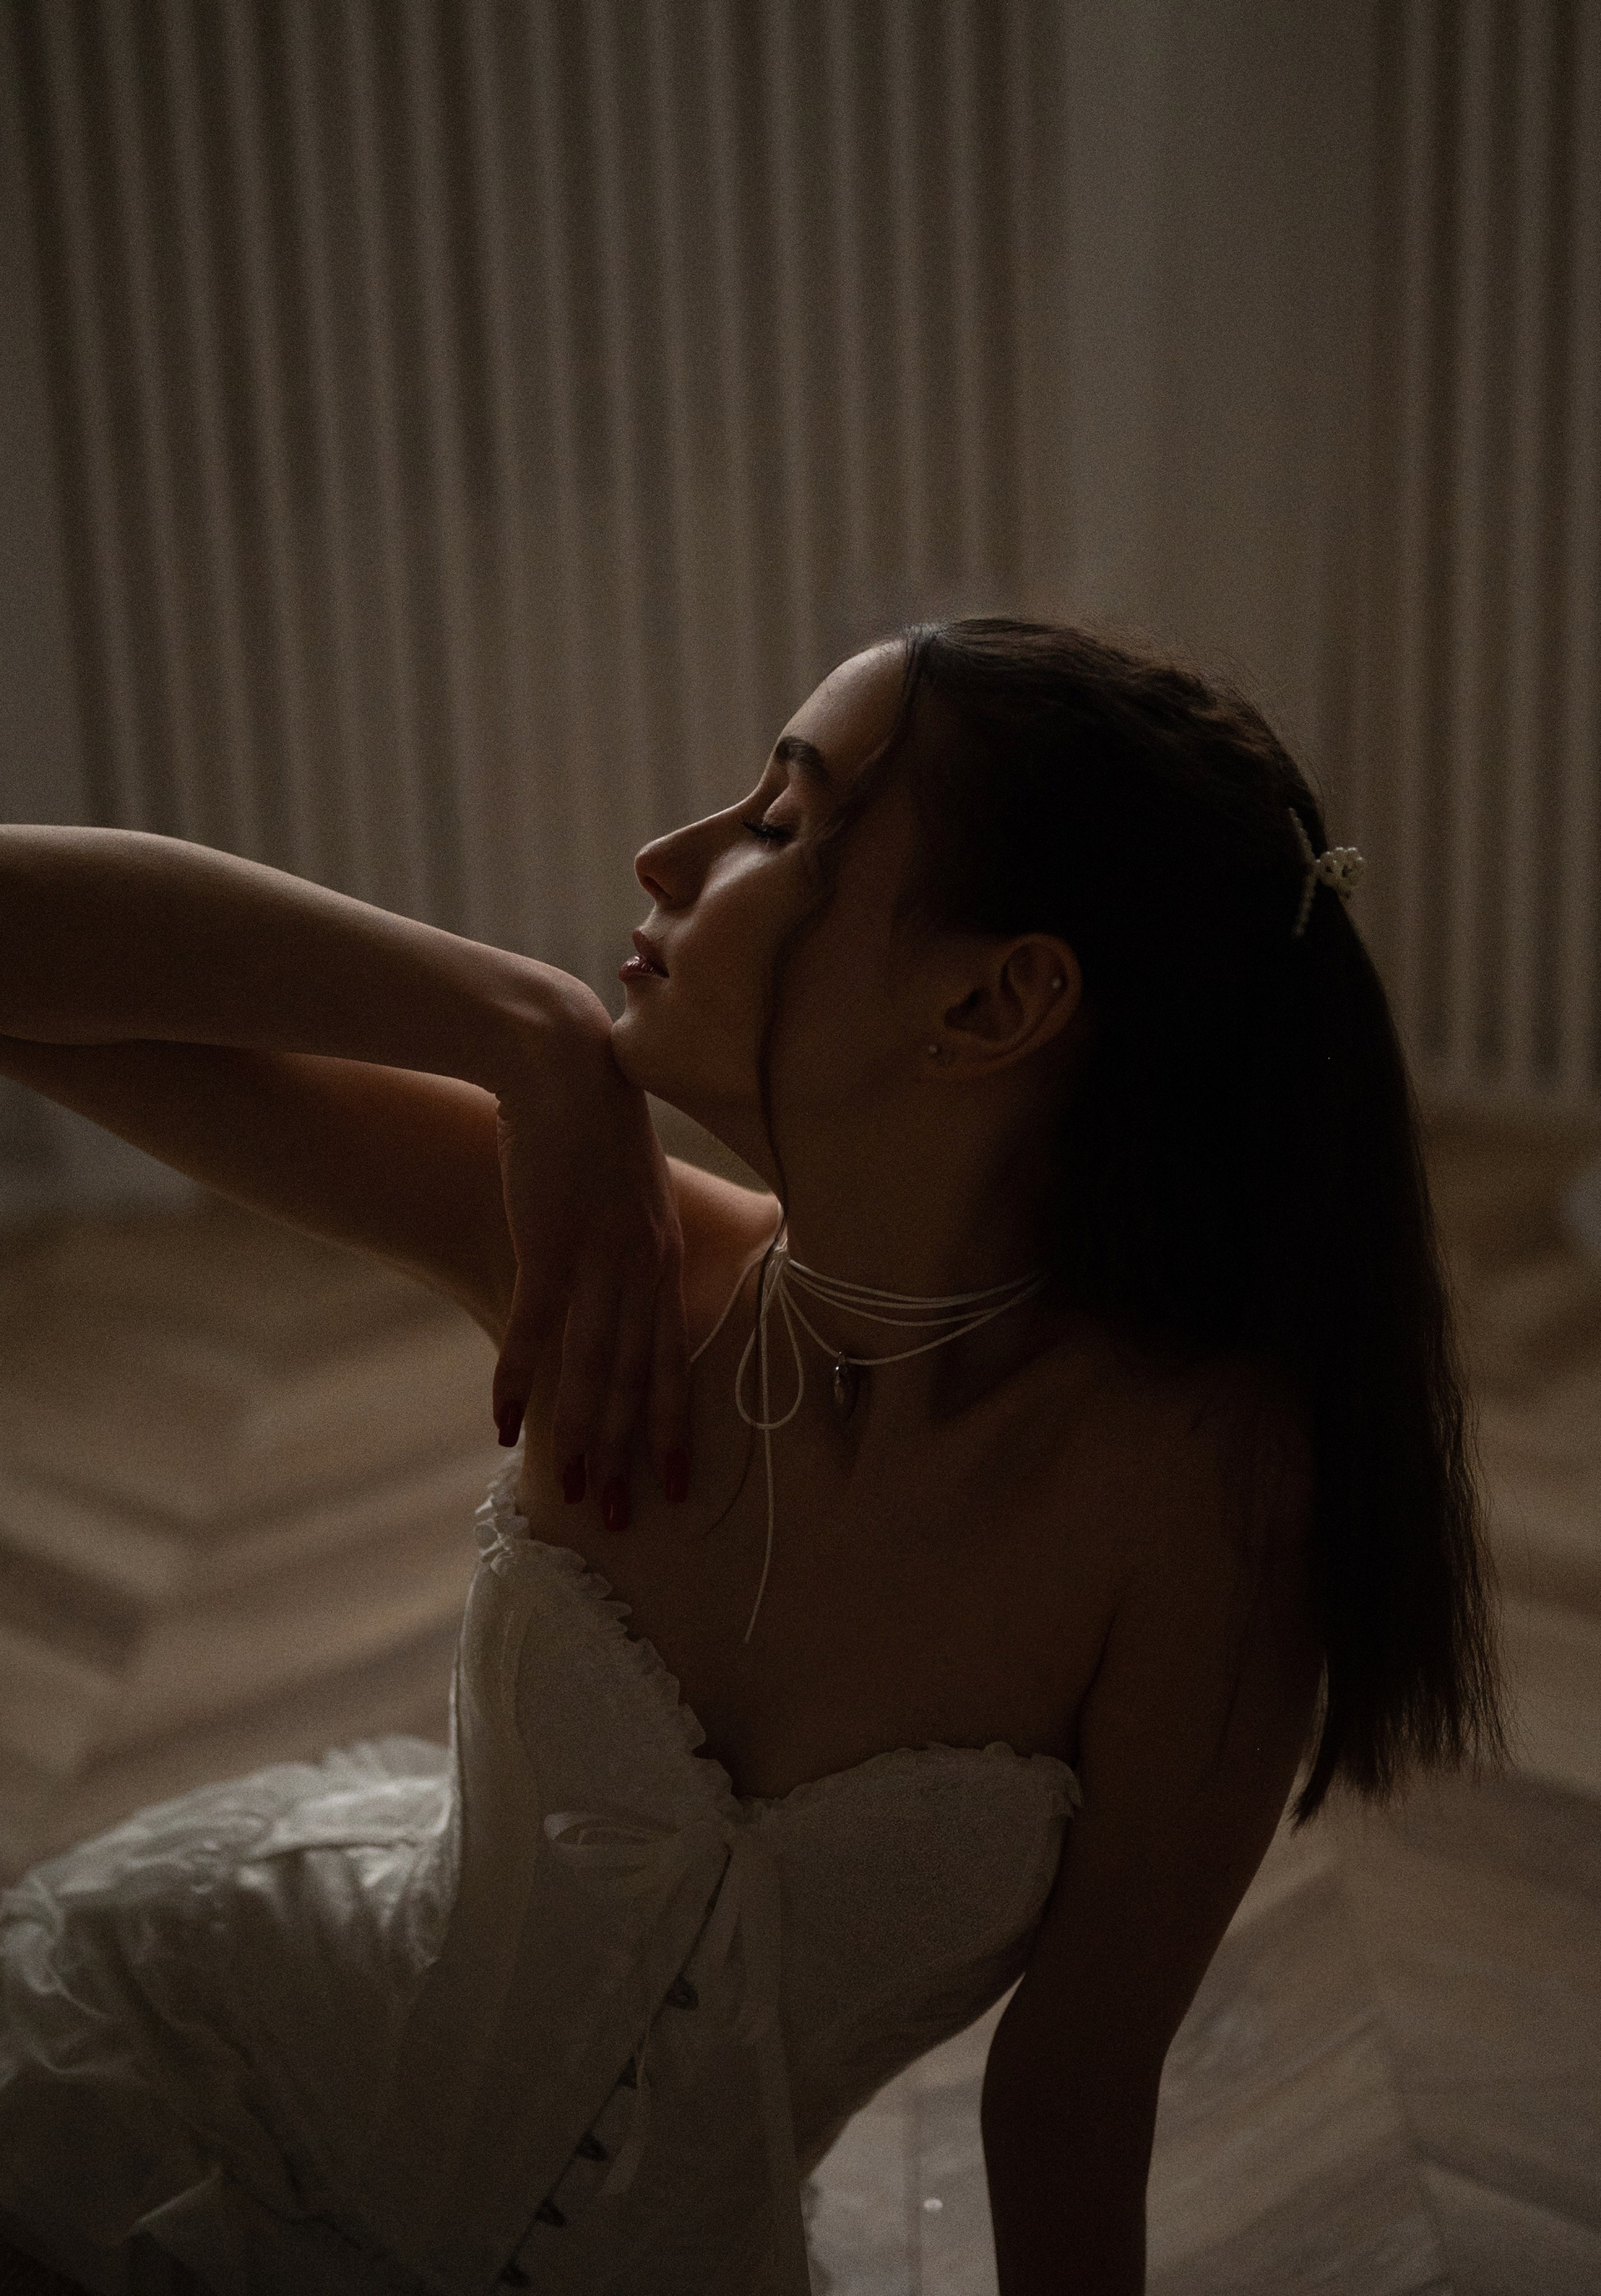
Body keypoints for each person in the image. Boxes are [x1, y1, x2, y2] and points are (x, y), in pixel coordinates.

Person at [0, 619, 1505, 2294]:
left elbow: (1070, 2097)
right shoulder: (619, 1270)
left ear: (993, 998)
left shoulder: (1205, 1511)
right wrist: (516, 1020)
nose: (668, 855)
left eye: (779, 824)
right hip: (204, 2096)